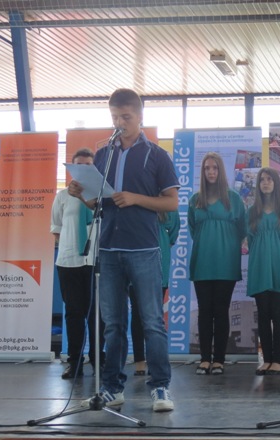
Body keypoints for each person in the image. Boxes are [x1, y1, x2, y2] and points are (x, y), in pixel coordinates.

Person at [68, 88, 178, 412]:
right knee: (112, 324)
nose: (119, 123)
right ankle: (112, 388)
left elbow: (171, 202)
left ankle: (161, 387)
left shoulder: (156, 155)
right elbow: (98, 203)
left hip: (144, 248)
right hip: (109, 250)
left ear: (140, 116)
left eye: (126, 117)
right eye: (115, 117)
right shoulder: (103, 155)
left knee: (152, 321)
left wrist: (135, 198)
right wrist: (80, 194)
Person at [188, 152, 246, 376]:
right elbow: (193, 229)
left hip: (226, 263)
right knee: (204, 312)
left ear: (221, 171)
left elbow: (242, 228)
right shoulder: (195, 200)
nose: (211, 172)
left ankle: (219, 360)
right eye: (207, 168)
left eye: (215, 168)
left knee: (221, 311)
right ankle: (205, 359)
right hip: (202, 262)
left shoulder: (234, 199)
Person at [51, 148, 105, 380]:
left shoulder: (101, 196)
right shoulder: (62, 196)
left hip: (95, 262)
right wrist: (70, 247)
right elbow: (56, 229)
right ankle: (75, 362)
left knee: (97, 315)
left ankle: (98, 360)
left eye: (88, 165)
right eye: (79, 165)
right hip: (69, 262)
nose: (83, 169)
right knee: (74, 314)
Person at [247, 168, 280, 376]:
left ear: (276, 183)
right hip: (259, 265)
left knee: (277, 313)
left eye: (269, 179)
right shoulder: (252, 211)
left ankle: (277, 361)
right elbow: (250, 240)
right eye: (262, 180)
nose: (265, 183)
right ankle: (266, 359)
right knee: (263, 314)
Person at [130, 210, 180, 376]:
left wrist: (162, 242)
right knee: (137, 315)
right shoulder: (134, 201)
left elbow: (173, 232)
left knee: (155, 316)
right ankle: (139, 361)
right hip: (134, 261)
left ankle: (155, 361)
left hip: (159, 262)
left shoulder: (167, 205)